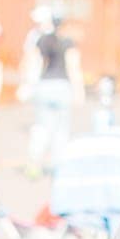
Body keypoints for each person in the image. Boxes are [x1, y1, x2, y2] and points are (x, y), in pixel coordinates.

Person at [25, 16, 83, 173]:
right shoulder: (68, 42)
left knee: (42, 127)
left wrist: (29, 86)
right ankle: (59, 166)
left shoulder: (42, 40)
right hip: (62, 87)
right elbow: (73, 67)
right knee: (61, 129)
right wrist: (78, 91)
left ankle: (34, 163)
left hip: (44, 85)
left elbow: (35, 64)